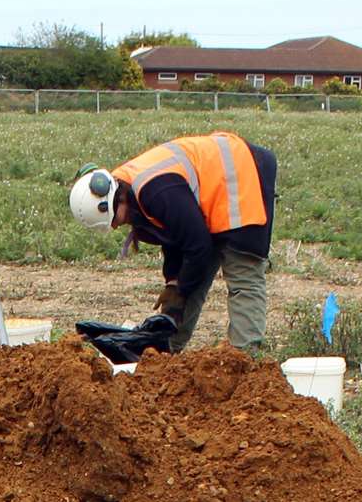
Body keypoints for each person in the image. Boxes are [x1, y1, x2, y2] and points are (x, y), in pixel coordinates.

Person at [68, 130, 276, 353]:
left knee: (243, 277)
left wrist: (181, 291)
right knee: (188, 280)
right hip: (212, 193)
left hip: (242, 176)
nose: (117, 226)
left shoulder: (156, 190)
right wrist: (174, 282)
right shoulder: (129, 186)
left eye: (115, 220)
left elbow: (197, 246)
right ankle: (164, 354)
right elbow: (176, 235)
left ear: (115, 200)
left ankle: (245, 359)